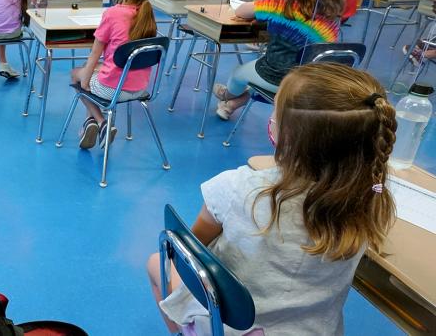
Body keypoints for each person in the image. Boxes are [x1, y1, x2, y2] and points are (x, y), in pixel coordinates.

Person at [147, 63, 396, 335]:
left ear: (288, 136)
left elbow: (190, 249)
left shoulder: (236, 187)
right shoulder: (372, 197)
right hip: (314, 329)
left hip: (233, 328)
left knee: (154, 263)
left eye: (276, 114)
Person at [214, 0, 343, 120]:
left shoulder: (281, 4)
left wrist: (265, 13)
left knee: (239, 74)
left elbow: (241, 10)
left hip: (277, 75)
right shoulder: (332, 9)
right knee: (263, 83)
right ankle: (232, 105)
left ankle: (226, 96)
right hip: (311, 81)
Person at [72, 0, 157, 149]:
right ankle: (90, 123)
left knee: (77, 75)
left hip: (113, 90)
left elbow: (95, 53)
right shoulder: (148, 16)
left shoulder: (112, 13)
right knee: (95, 70)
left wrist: (85, 80)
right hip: (141, 88)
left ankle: (102, 122)